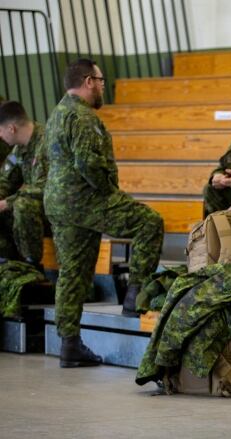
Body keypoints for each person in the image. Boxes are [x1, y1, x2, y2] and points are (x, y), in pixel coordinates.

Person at [44, 59, 164, 367]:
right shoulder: (82, 117)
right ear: (87, 82)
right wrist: (112, 191)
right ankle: (134, 298)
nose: (102, 86)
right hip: (87, 200)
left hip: (59, 203)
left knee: (72, 273)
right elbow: (90, 165)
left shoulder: (57, 114)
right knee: (149, 222)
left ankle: (69, 344)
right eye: (99, 81)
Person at [0, 101, 48, 270]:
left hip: (57, 209)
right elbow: (6, 180)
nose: (0, 137)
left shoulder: (46, 143)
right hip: (37, 210)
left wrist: (7, 203)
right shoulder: (19, 148)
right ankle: (8, 264)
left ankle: (32, 265)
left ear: (11, 128)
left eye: (0, 131)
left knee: (22, 206)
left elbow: (45, 190)